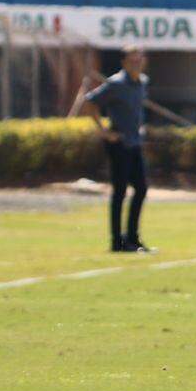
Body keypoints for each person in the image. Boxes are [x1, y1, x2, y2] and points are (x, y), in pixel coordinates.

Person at [85, 46, 152, 253]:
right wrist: (104, 131)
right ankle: (117, 242)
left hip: (135, 143)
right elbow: (90, 102)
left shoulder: (142, 82)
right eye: (133, 61)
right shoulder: (116, 83)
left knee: (141, 189)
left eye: (139, 60)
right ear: (123, 63)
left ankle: (133, 238)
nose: (137, 64)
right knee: (120, 191)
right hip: (119, 143)